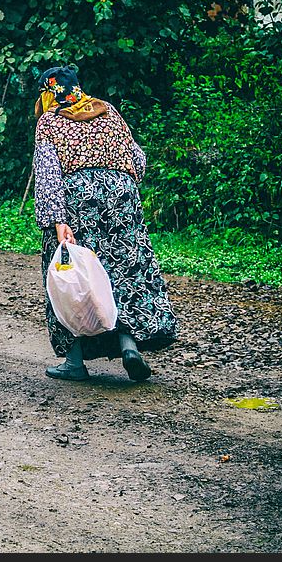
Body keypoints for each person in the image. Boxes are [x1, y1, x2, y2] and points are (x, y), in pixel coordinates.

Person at [33, 65, 177, 382]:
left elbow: (47, 176)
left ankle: (74, 362)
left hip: (77, 202)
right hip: (121, 198)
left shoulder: (50, 121)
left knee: (71, 276)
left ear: (49, 93)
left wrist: (57, 221)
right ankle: (130, 347)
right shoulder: (107, 111)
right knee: (123, 271)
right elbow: (138, 160)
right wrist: (116, 181)